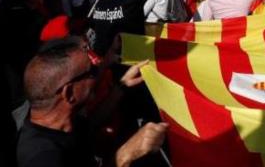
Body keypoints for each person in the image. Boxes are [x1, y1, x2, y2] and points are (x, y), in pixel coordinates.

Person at [16, 37, 168, 167]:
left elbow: (91, 123)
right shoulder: (43, 158)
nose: (98, 74)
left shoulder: (62, 119)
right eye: (92, 72)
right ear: (69, 93)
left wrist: (122, 86)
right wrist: (125, 155)